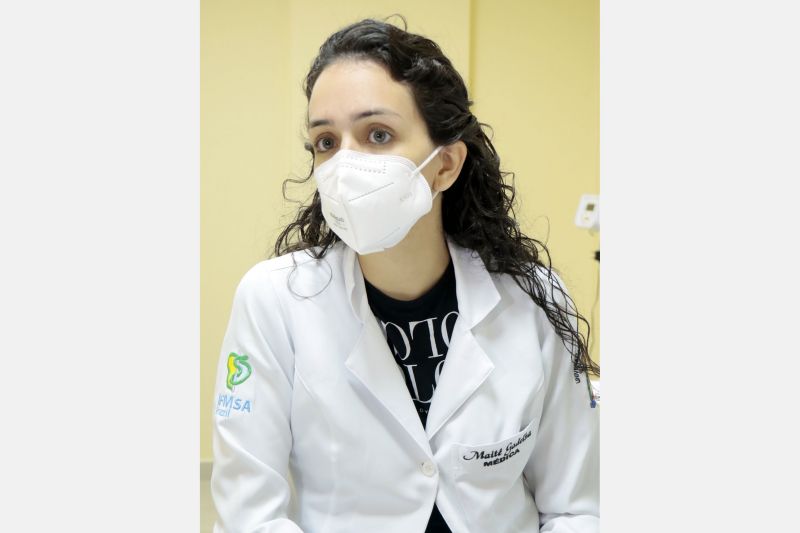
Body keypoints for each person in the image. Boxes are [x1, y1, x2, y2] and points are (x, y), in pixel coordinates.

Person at [211, 16, 599, 533]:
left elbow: (576, 507)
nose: (345, 166)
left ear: (446, 165)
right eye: (326, 141)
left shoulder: (533, 298)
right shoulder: (274, 300)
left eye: (378, 134)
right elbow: (250, 516)